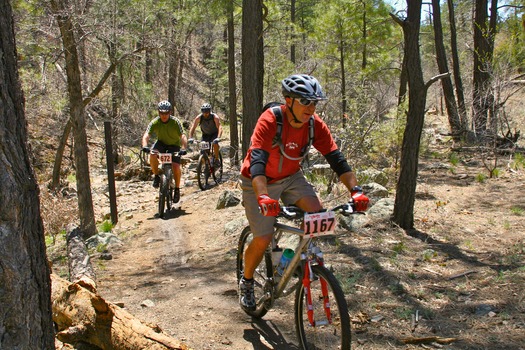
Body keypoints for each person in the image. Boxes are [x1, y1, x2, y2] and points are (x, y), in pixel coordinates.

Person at [238, 74, 370, 311]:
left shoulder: (314, 125)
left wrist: (356, 191)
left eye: (314, 103)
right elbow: (257, 160)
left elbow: (336, 159)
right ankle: (247, 281)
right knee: (263, 237)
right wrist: (263, 196)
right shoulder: (270, 119)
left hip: (290, 177)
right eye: (305, 101)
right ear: (288, 101)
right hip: (258, 181)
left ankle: (296, 259)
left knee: (317, 214)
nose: (311, 108)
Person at [142, 100, 187, 203]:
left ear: (170, 112)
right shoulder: (155, 122)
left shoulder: (175, 122)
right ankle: (157, 176)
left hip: (174, 145)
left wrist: (184, 148)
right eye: (162, 113)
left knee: (175, 166)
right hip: (161, 143)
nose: (164, 115)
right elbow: (146, 135)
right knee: (152, 155)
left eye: (166, 113)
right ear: (159, 112)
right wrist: (145, 146)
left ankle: (177, 189)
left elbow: (183, 136)